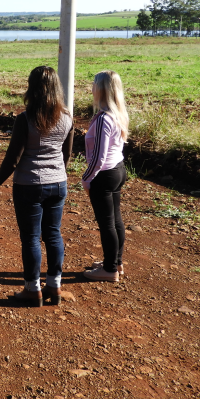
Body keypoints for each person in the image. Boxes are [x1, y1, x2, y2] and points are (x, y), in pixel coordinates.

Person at [0, 66, 73, 306]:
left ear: (32, 88)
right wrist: (57, 174)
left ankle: (32, 289)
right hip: (58, 183)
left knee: (31, 238)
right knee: (53, 233)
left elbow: (13, 158)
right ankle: (54, 285)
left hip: (29, 185)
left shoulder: (26, 119)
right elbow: (66, 156)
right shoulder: (67, 117)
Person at [81, 70, 129, 282]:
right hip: (117, 170)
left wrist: (87, 178)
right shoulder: (117, 114)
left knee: (107, 223)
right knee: (116, 220)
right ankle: (115, 262)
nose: (91, 87)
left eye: (94, 83)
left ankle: (109, 270)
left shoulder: (103, 119)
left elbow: (98, 158)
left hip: (104, 174)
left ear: (101, 89)